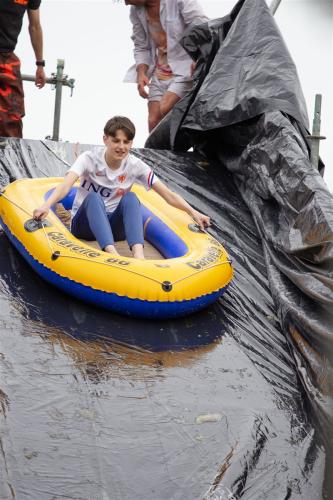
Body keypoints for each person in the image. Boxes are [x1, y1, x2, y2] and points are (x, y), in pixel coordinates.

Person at [33, 116, 210, 259]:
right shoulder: (89, 159)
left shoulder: (135, 165)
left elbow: (168, 195)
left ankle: (138, 255)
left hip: (114, 228)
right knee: (94, 198)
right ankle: (112, 253)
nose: (121, 147)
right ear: (105, 139)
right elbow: (65, 186)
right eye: (116, 141)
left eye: (126, 142)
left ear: (131, 143)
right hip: (84, 226)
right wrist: (46, 205)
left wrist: (194, 213)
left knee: (131, 198)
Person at [124, 0, 208, 132]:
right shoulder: (136, 10)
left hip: (185, 68)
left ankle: (182, 145)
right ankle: (158, 152)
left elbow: (199, 23)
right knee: (153, 121)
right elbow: (141, 46)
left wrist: (199, 55)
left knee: (165, 109)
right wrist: (141, 73)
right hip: (160, 70)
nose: (126, 3)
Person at [0, 0, 46, 138]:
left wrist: (40, 64)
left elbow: (35, 26)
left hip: (6, 57)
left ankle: (10, 157)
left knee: (12, 117)